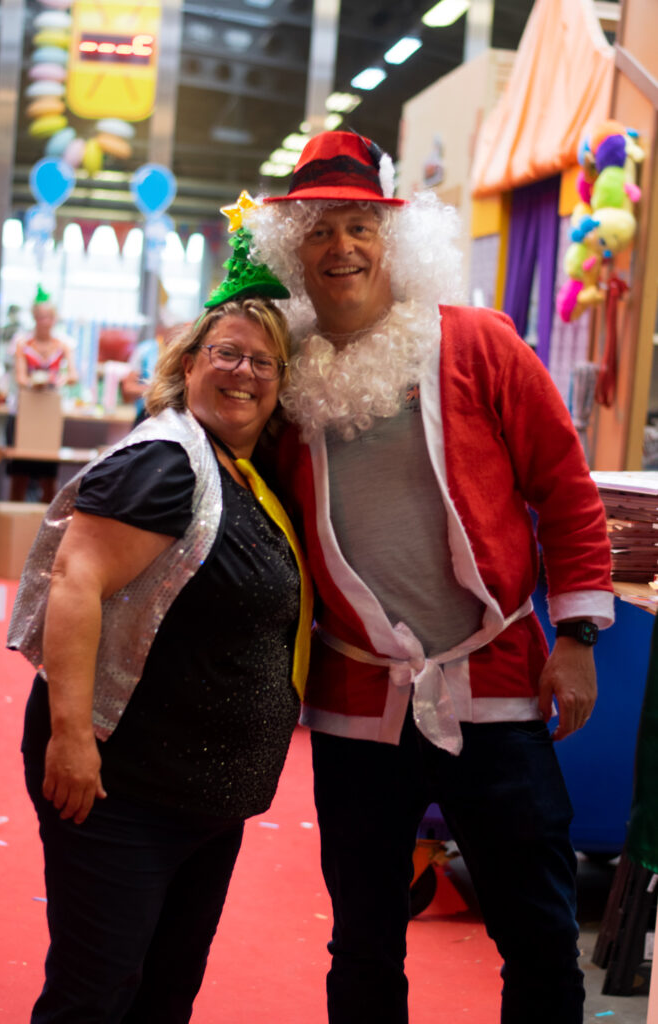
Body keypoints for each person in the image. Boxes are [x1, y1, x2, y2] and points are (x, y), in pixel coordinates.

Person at [248, 130, 615, 1024]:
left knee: (537, 934)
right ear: (292, 251)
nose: (340, 247)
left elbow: (565, 488)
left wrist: (575, 636)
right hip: (356, 704)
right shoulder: (282, 375)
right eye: (317, 230)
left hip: (497, 688)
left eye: (359, 227)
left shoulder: (477, 342)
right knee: (363, 940)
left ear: (394, 240)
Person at [7, 219, 312, 1023]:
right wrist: (72, 737)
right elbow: (76, 583)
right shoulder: (166, 460)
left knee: (163, 993)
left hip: (202, 801)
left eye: (264, 362)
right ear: (187, 364)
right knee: (94, 995)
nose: (244, 372)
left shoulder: (241, 472)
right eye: (227, 353)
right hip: (123, 791)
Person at [7, 287, 78, 502]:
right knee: (19, 473)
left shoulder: (62, 345)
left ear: (54, 319)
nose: (44, 321)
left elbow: (73, 375)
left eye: (48, 317)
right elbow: (20, 378)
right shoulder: (23, 344)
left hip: (49, 412)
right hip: (26, 411)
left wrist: (58, 380)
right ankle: (15, 517)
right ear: (34, 318)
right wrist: (35, 382)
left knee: (49, 475)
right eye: (40, 317)